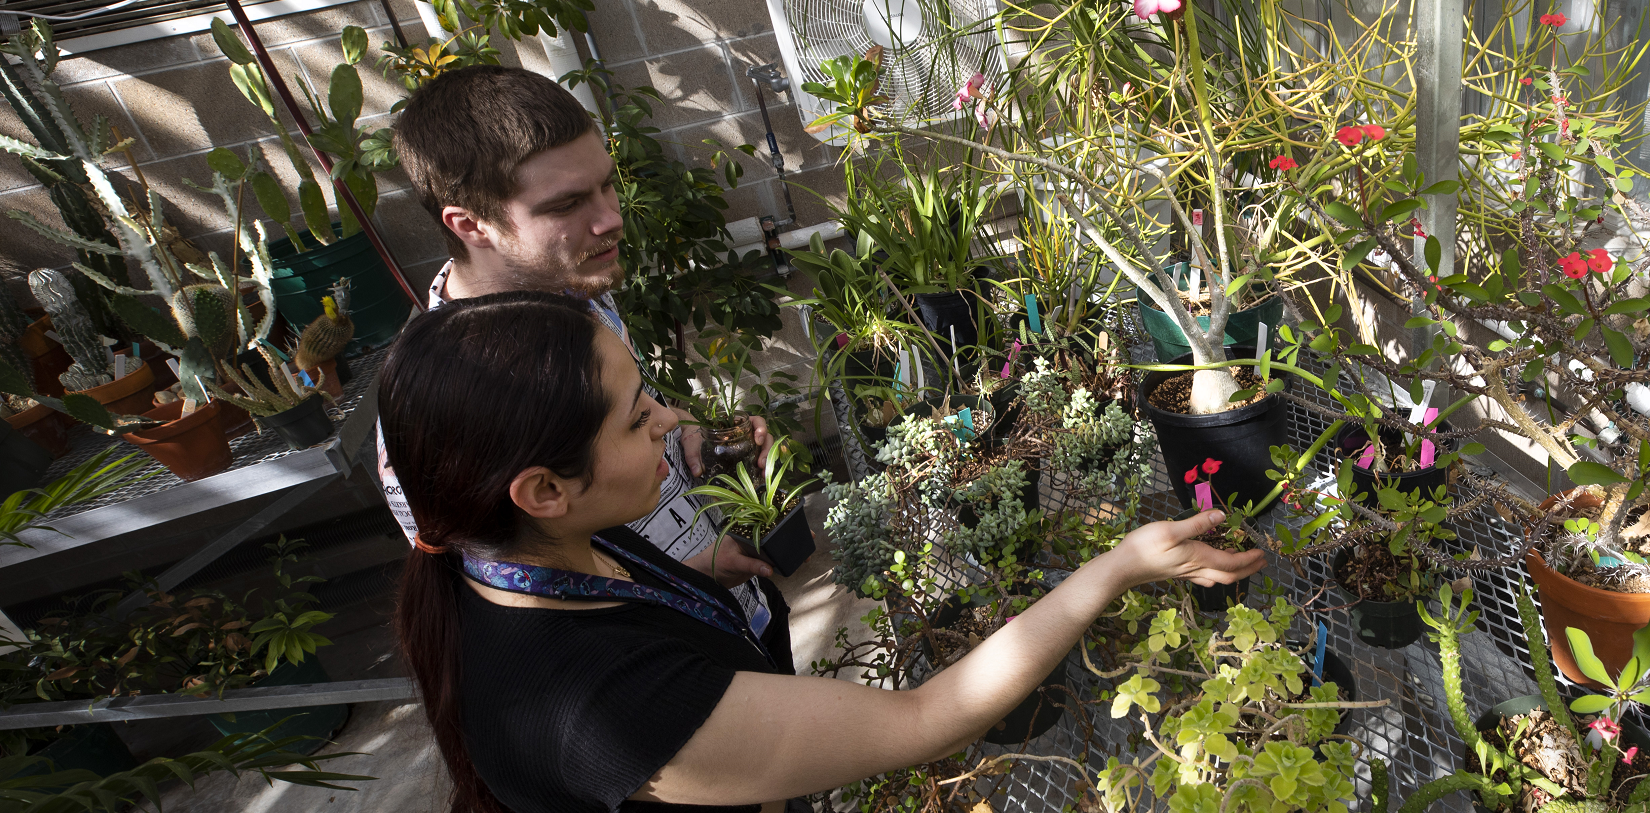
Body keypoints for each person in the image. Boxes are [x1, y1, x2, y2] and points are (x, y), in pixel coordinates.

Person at [383, 292, 1265, 813]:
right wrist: (1115, 566)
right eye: (635, 416)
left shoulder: (530, 549)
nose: (669, 421)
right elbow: (925, 718)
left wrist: (687, 575)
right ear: (541, 488)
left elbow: (622, 613)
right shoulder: (602, 706)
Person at [379, 65, 782, 651]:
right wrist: (676, 579)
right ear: (471, 225)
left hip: (738, 604)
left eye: (606, 185)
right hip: (662, 658)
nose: (610, 218)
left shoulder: (575, 286)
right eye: (565, 204)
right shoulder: (438, 403)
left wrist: (684, 429)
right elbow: (502, 596)